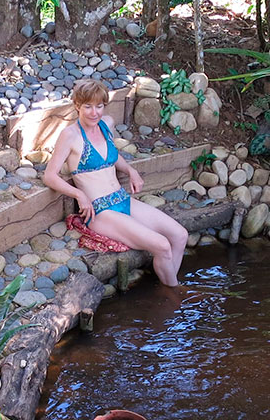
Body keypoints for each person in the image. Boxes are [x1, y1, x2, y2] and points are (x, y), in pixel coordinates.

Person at [43, 79, 188, 286]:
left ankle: (168, 284)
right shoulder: (70, 135)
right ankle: (174, 292)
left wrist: (131, 170)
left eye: (99, 106)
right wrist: (79, 195)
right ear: (77, 106)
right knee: (162, 245)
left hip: (123, 199)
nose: (94, 113)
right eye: (88, 106)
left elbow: (111, 155)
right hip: (101, 211)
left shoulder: (105, 125)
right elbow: (50, 176)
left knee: (180, 236)